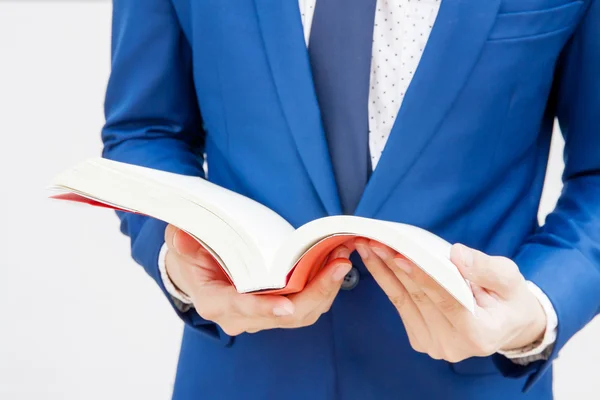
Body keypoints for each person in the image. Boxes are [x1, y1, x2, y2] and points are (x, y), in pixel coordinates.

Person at [102, 0, 600, 398]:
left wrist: (537, 307)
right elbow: (145, 131)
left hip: (470, 381)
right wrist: (180, 263)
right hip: (244, 377)